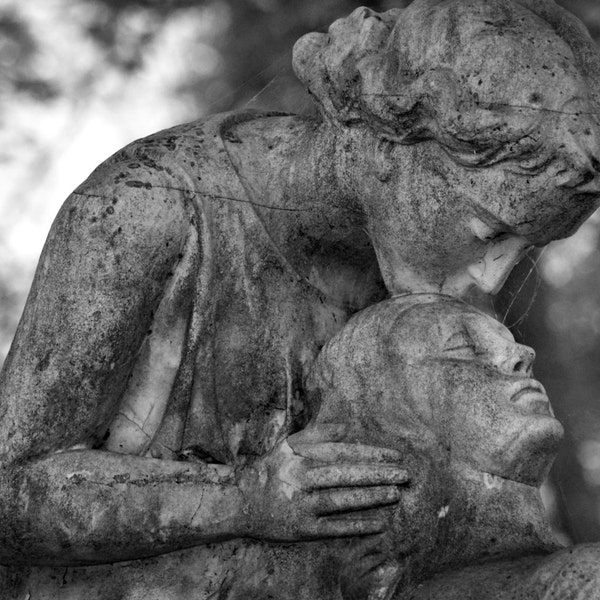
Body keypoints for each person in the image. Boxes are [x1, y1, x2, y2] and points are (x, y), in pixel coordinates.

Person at [0, 0, 599, 593]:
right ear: (395, 147)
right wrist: (239, 500)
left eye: (526, 249)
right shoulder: (142, 210)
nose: (491, 280)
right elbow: (11, 487)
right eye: (490, 231)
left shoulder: (420, 275)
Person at [308, 294, 600, 599]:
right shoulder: (579, 580)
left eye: (508, 342)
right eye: (463, 347)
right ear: (388, 413)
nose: (522, 354)